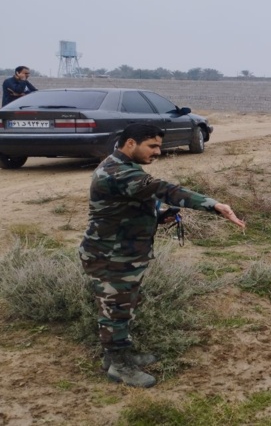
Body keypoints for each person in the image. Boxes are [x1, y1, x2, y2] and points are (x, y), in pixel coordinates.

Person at [79, 124, 246, 388]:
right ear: (131, 143)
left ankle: (117, 357)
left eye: (159, 146)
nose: (158, 152)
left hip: (124, 252)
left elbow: (130, 205)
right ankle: (119, 367)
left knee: (124, 308)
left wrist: (158, 216)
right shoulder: (118, 171)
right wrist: (213, 205)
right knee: (115, 312)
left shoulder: (124, 167)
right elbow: (165, 190)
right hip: (111, 256)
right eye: (152, 146)